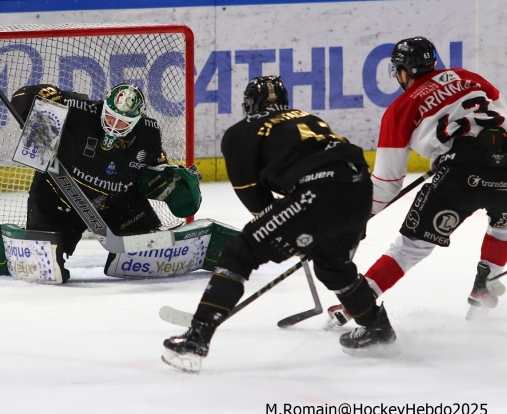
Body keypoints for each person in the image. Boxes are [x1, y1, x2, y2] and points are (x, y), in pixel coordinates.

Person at [162, 76, 392, 373]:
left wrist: (289, 232)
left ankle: (196, 338)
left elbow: (257, 202)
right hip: (360, 190)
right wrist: (297, 229)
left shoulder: (241, 131)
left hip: (319, 192)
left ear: (249, 104)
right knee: (332, 266)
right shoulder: (307, 118)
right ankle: (377, 328)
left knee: (239, 253)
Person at [324, 37, 507, 328]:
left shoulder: (400, 109)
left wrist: (352, 218)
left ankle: (357, 303)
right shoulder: (468, 76)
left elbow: (385, 185)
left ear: (404, 72)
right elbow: (497, 111)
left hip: (460, 175)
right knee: (503, 223)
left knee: (411, 246)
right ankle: (485, 285)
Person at [11, 83, 200, 283]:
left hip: (116, 204)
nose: (113, 124)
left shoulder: (148, 133)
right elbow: (21, 96)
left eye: (122, 122)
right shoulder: (77, 110)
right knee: (40, 266)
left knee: (150, 255)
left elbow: (155, 170)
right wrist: (41, 96)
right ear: (104, 106)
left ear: (136, 120)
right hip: (57, 201)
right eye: (110, 116)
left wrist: (169, 182)